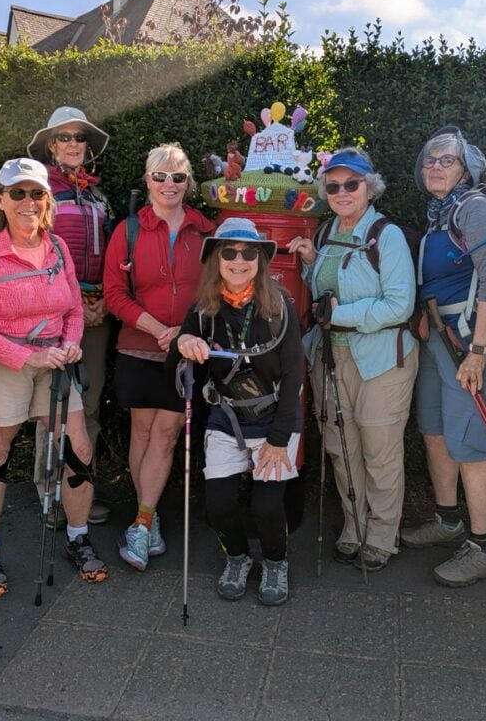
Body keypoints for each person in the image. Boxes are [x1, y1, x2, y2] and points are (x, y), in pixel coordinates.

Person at [0, 157, 107, 594]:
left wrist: (73, 341)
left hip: (55, 362)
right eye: (17, 193)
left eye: (36, 193)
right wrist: (25, 357)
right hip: (4, 363)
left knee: (78, 447)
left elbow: (74, 309)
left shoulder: (57, 248)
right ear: (1, 200)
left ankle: (78, 539)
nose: (28, 202)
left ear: (47, 200)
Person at [288, 147, 417, 573]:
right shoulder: (326, 233)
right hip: (330, 357)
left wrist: (339, 315)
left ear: (369, 186)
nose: (342, 191)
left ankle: (381, 535)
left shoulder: (387, 235)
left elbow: (400, 305)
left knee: (379, 450)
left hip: (380, 360)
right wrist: (310, 265)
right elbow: (327, 286)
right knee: (340, 448)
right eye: (334, 185)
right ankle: (354, 526)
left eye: (351, 183)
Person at [399, 127, 486, 587]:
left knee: (470, 444)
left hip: (470, 345)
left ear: (467, 166)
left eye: (446, 160)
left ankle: (483, 548)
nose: (435, 167)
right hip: (438, 341)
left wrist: (480, 353)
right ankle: (449, 520)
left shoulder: (475, 209)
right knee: (434, 431)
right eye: (429, 160)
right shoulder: (439, 215)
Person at [171, 217, 303, 605]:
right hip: (225, 418)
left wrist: (279, 440)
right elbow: (176, 364)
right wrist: (185, 343)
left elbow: (295, 373)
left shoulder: (280, 307)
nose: (239, 260)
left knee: (267, 504)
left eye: (249, 252)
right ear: (216, 259)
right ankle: (238, 558)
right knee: (219, 503)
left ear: (261, 261)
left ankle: (276, 563)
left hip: (275, 417)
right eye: (229, 251)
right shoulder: (201, 311)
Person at [103, 143, 215, 571]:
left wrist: (184, 332)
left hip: (184, 349)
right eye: (160, 176)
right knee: (142, 431)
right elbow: (114, 293)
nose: (169, 184)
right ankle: (144, 517)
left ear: (188, 183)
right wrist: (156, 329)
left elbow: (220, 288)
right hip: (138, 343)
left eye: (178, 177)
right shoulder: (127, 230)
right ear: (147, 180)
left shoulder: (205, 231)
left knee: (166, 434)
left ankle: (144, 520)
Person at [27, 106, 114, 528]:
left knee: (89, 405)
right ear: (50, 144)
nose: (73, 145)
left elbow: (115, 259)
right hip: (54, 315)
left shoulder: (99, 196)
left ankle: (79, 491)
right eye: (64, 137)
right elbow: (34, 255)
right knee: (52, 405)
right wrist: (77, 301)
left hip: (98, 316)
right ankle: (49, 494)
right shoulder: (38, 193)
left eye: (79, 138)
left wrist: (104, 303)